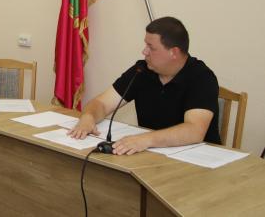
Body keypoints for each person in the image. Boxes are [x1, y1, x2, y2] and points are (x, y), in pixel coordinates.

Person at [68, 16, 220, 155]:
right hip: (152, 154)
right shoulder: (141, 70)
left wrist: (145, 140)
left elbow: (194, 131)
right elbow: (102, 103)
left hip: (198, 159)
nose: (144, 51)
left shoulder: (202, 77)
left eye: (151, 47)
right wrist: (88, 117)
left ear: (173, 52)